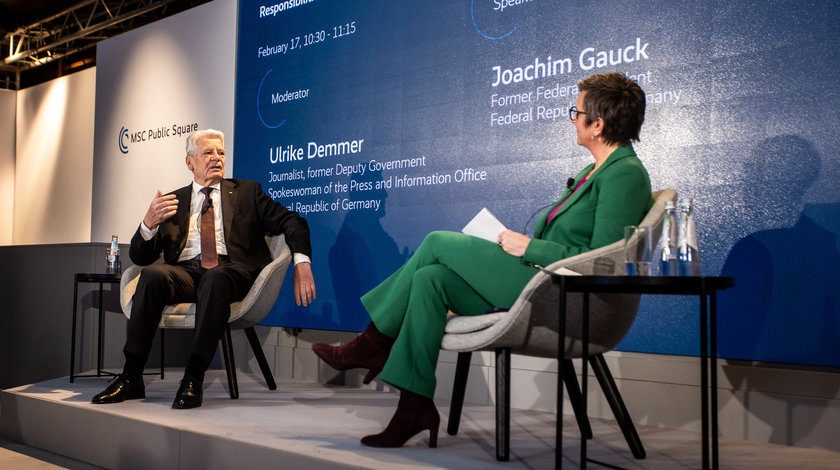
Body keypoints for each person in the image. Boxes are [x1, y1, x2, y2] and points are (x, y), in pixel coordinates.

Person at [312, 72, 653, 447]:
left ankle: (372, 342)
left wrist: (530, 248)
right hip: (536, 281)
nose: (572, 118)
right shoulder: (592, 172)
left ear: (598, 124)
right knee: (430, 279)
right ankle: (413, 407)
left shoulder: (625, 173)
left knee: (437, 242)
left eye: (577, 111)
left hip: (562, 294)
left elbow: (602, 260)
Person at [92, 129, 316, 409]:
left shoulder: (248, 192)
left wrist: (302, 263)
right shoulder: (174, 202)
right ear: (190, 162)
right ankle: (131, 376)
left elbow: (292, 221)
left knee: (215, 278)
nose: (216, 158)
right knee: (151, 276)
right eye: (208, 153)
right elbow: (141, 256)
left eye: (221, 153)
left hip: (232, 271)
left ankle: (193, 378)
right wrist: (148, 225)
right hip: (187, 273)